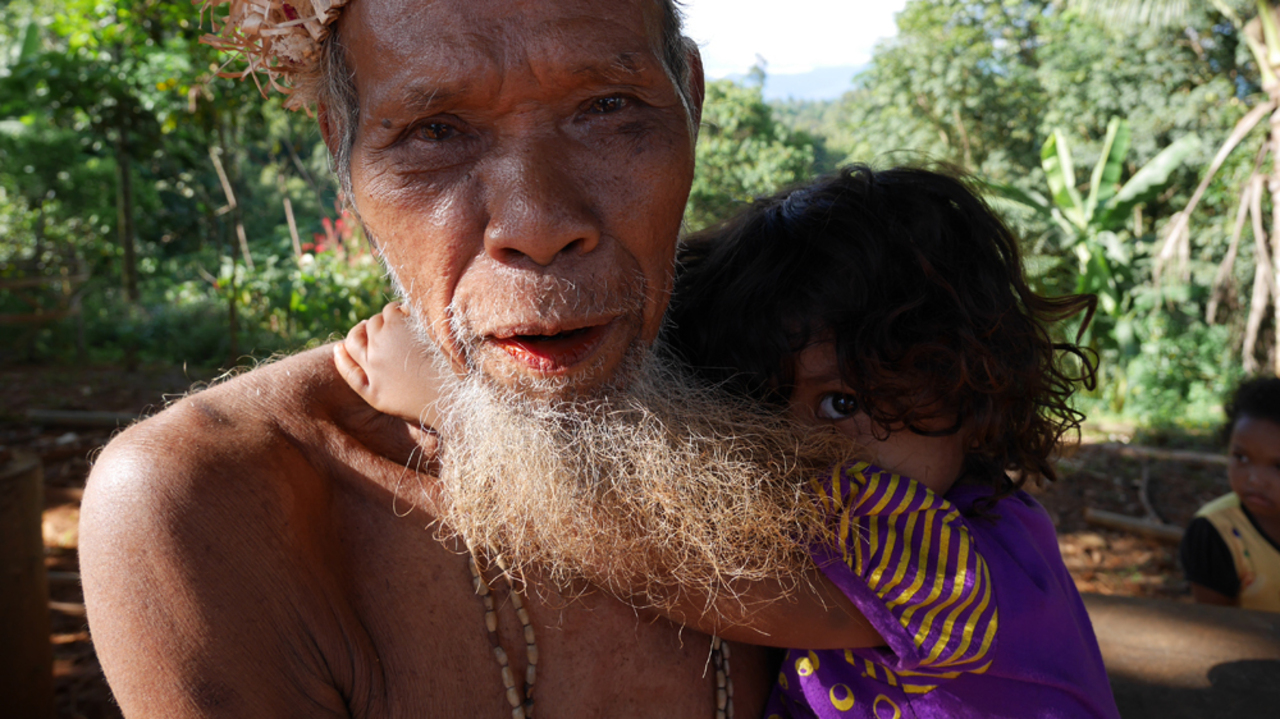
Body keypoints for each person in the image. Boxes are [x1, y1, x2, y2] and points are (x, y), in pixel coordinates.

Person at [80, 1, 853, 717]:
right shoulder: (215, 505)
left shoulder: (829, 391)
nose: (538, 223)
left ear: (689, 97)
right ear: (339, 148)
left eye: (606, 108)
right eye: (436, 130)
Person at [337, 166, 1121, 717]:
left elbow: (676, 568)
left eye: (844, 398)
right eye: (762, 404)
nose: (803, 442)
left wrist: (457, 403)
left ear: (972, 384)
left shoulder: (926, 551)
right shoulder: (987, 511)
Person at [1181, 377, 1280, 612]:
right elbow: (1218, 630)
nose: (1255, 479)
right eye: (1241, 458)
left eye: (1278, 466)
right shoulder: (1215, 533)